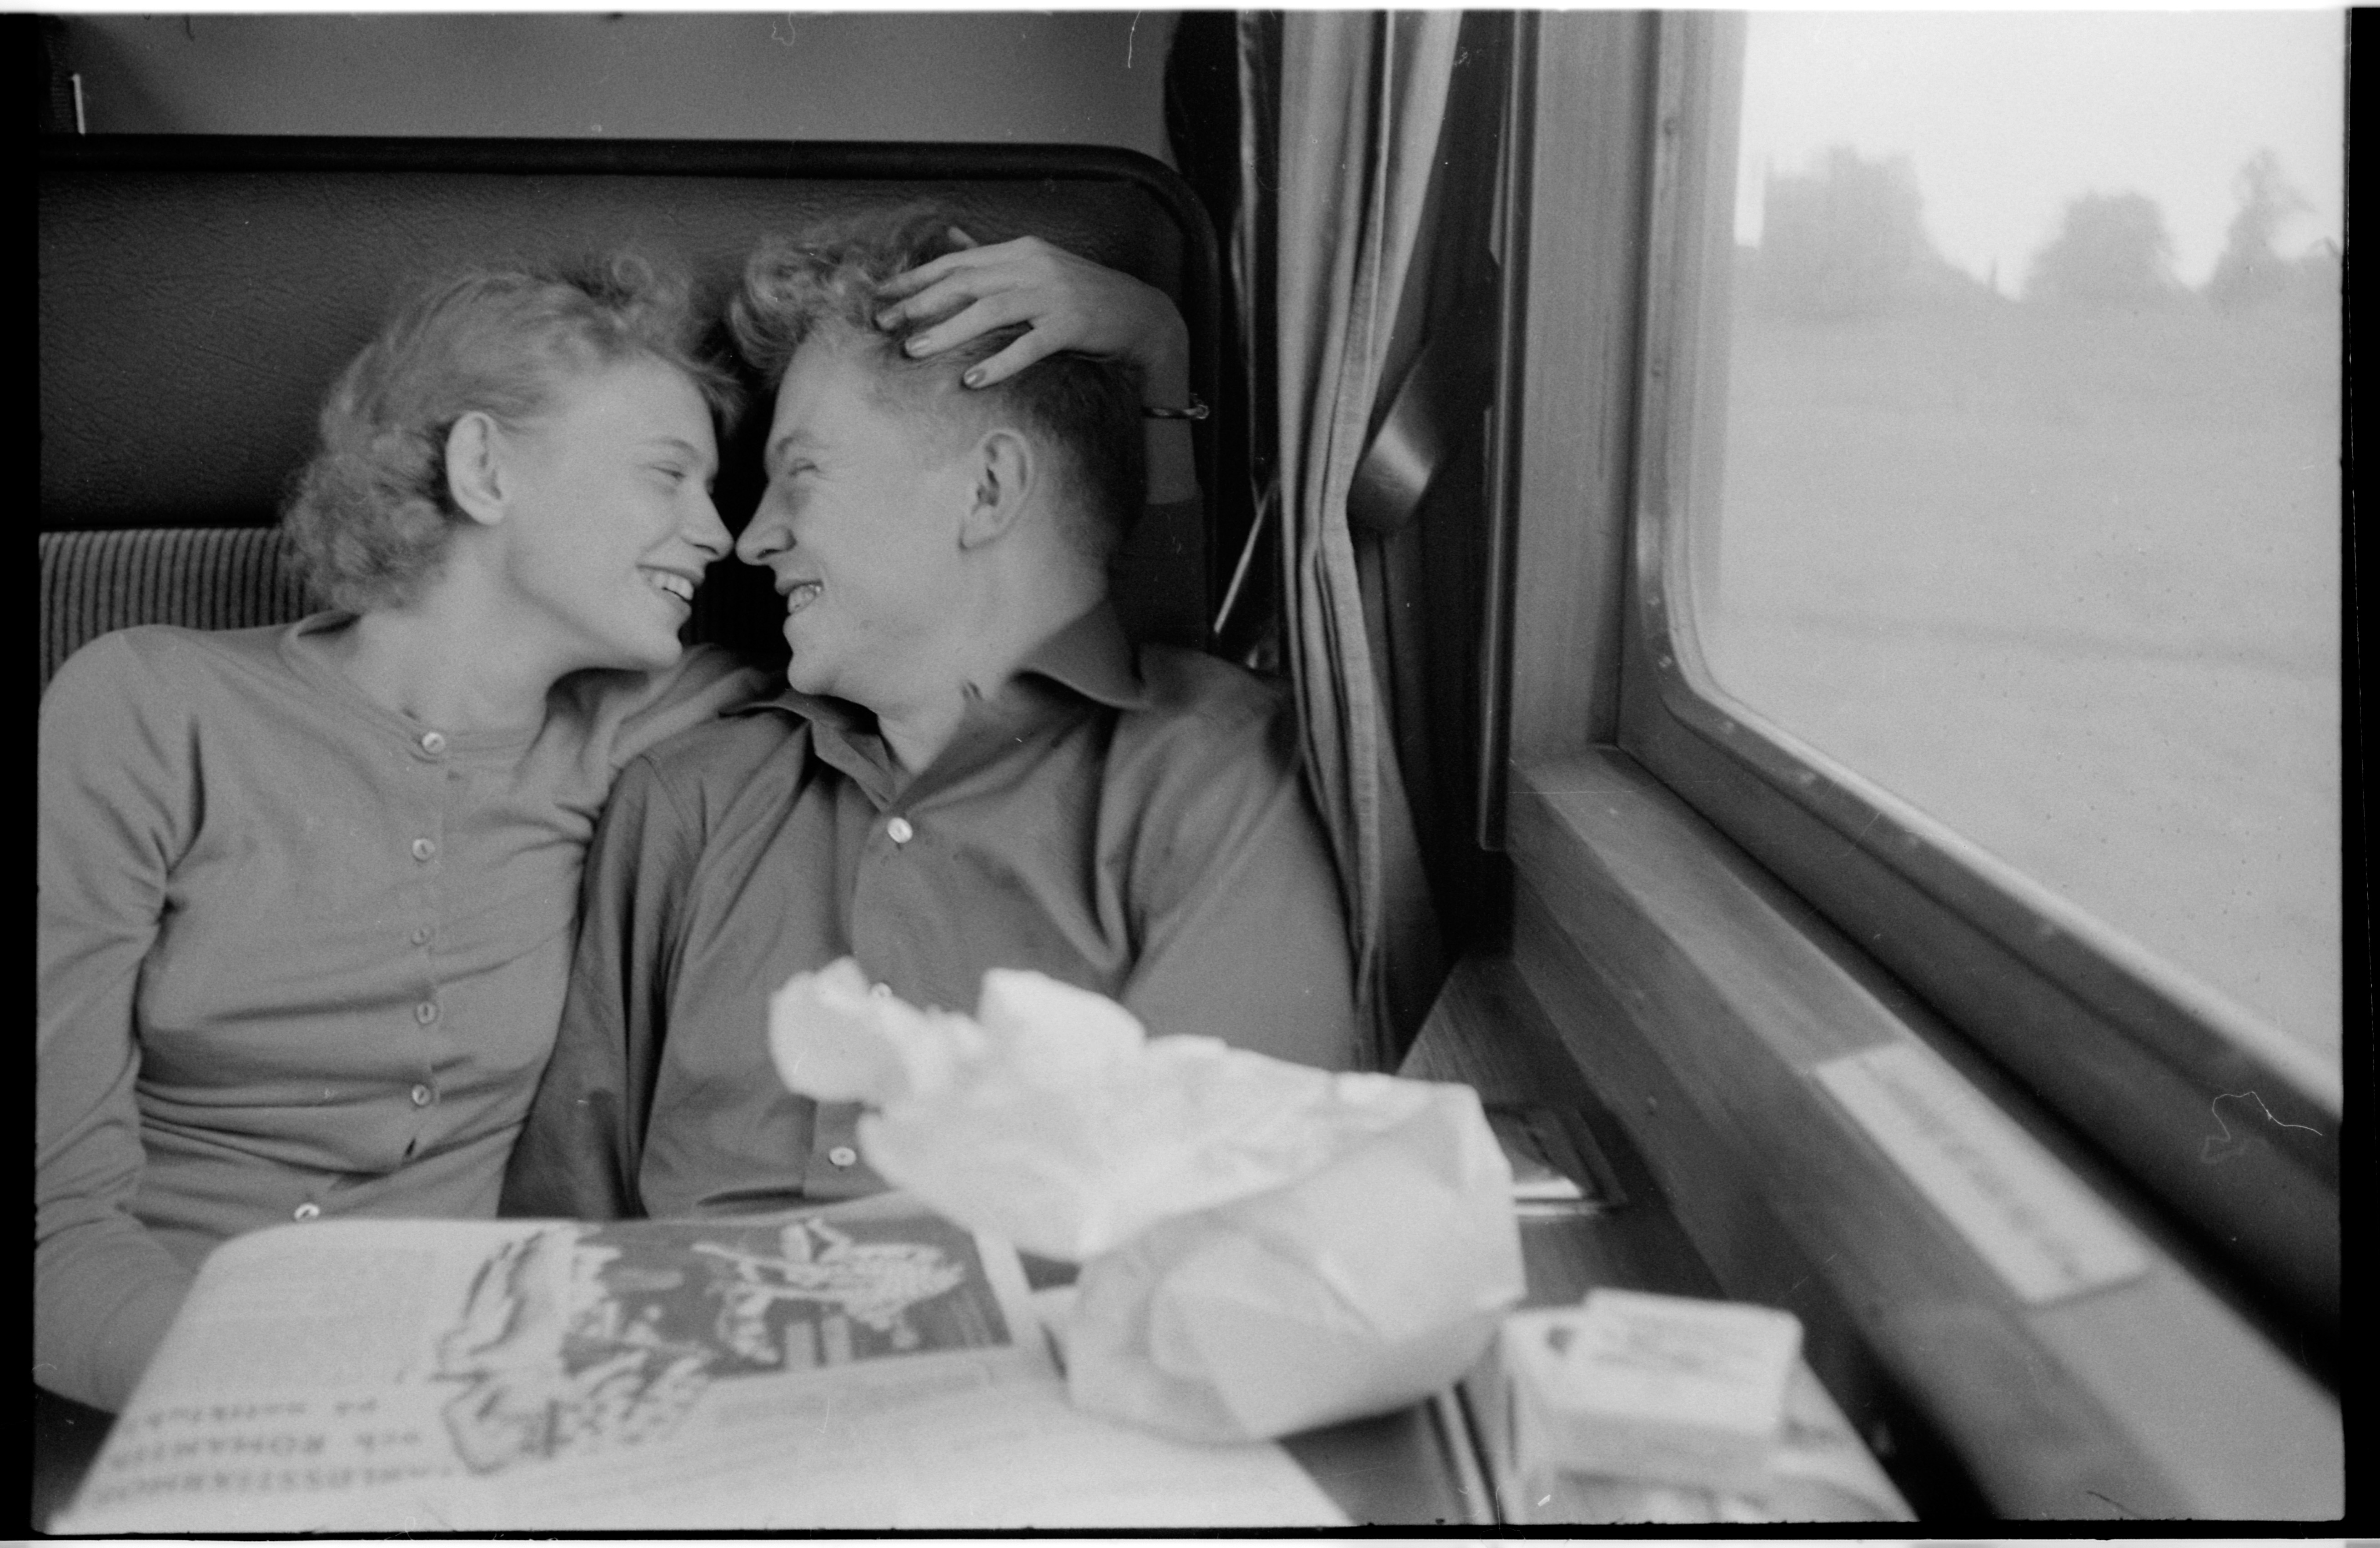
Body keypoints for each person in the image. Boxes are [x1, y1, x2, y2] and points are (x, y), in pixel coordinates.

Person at [36, 240, 1181, 1414]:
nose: (718, 533)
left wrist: (1147, 334)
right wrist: (288, 1398)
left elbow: (1039, 620)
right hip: (136, 1386)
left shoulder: (670, 725)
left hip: (456, 1398)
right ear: (485, 466)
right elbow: (49, 1222)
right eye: (667, 474)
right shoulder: (145, 704)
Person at [501, 212, 1360, 1224]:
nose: (751, 538)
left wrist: (1159, 347)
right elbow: (563, 1230)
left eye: (801, 473)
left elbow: (1212, 1226)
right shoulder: (687, 799)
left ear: (988, 490)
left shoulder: (1209, 784)